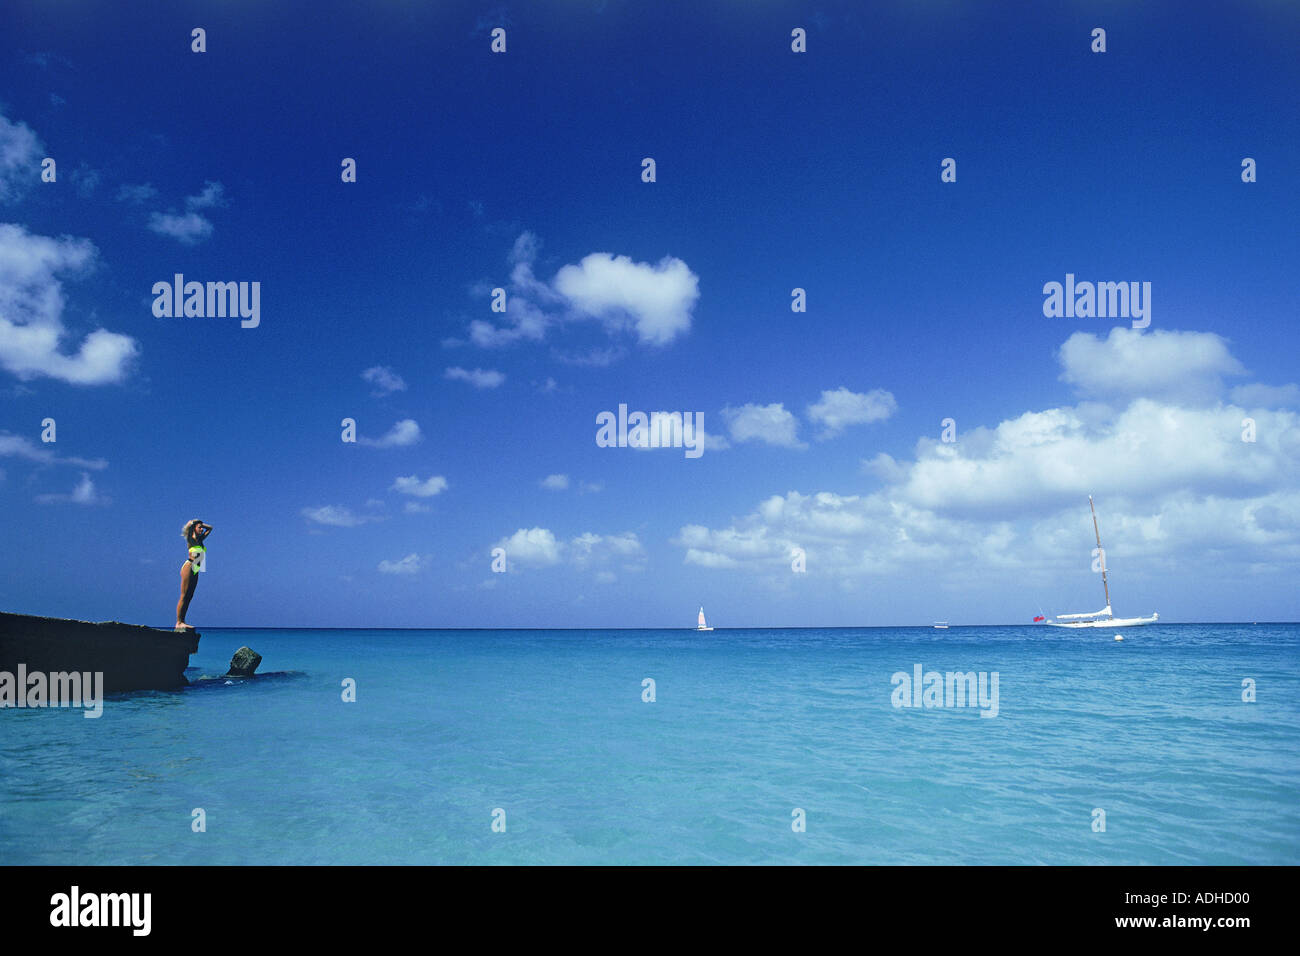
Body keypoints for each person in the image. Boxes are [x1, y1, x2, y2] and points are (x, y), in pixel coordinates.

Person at [175, 519, 212, 631]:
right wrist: (194, 522)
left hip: (196, 568)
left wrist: (200, 523)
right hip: (189, 566)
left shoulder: (200, 540)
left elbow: (210, 528)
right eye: (199, 527)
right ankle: (179, 622)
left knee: (190, 596)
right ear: (194, 528)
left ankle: (183, 621)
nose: (201, 529)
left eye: (202, 527)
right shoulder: (190, 538)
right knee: (184, 595)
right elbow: (189, 525)